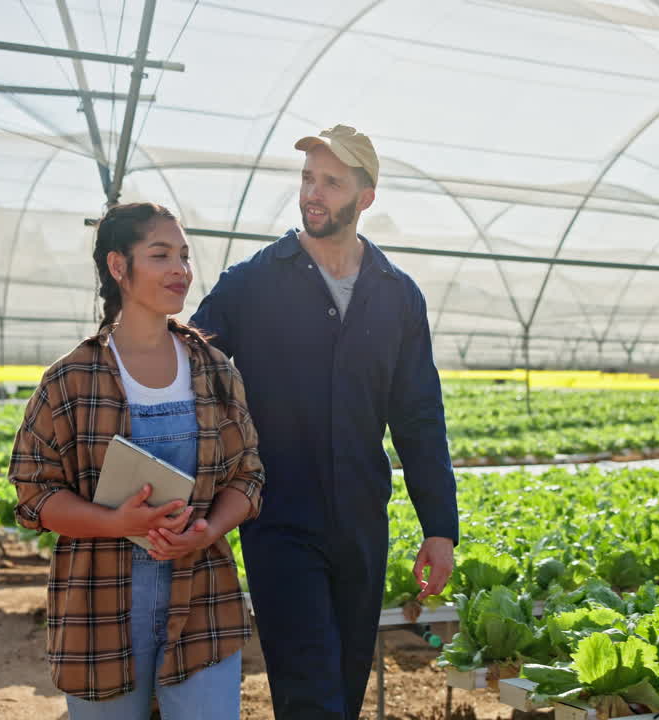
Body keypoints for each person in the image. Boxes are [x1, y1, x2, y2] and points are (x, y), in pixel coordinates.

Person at [191, 125, 459, 720]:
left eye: (331, 182)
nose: (314, 192)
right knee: (310, 688)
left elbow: (418, 416)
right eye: (308, 178)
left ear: (365, 196)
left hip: (361, 520)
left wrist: (439, 525)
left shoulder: (397, 296)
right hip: (279, 517)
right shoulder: (253, 283)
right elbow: (189, 369)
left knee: (345, 680)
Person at [9, 202, 264, 719]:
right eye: (161, 255)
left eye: (185, 256)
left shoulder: (215, 372)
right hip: (100, 607)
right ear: (118, 267)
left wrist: (208, 528)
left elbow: (248, 476)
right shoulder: (72, 378)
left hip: (202, 602)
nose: (181, 270)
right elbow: (34, 492)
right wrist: (114, 522)